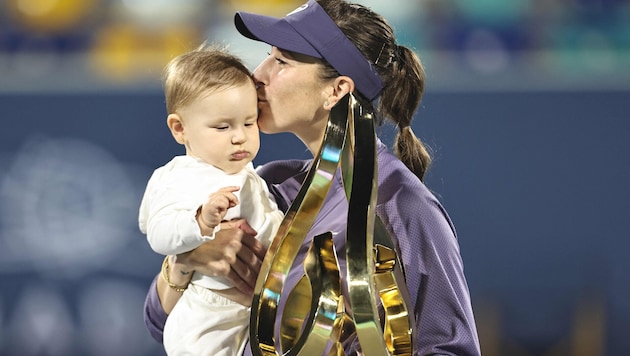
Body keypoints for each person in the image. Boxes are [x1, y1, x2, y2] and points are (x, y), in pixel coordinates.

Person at [143, 0, 481, 354]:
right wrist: (184, 264)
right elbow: (159, 321)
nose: (258, 74)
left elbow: (449, 348)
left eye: (281, 62)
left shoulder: (402, 205)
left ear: (336, 90)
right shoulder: (271, 185)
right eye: (268, 55)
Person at [138, 44, 284, 355]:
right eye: (222, 126)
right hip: (208, 312)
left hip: (255, 311)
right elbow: (159, 232)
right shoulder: (180, 176)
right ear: (180, 129)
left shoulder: (250, 174)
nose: (239, 136)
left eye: (249, 122)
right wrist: (201, 221)